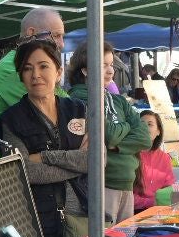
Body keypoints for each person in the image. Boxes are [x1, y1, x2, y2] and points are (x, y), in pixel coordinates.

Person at [0, 38, 89, 237]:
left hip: (84, 214)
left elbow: (96, 160)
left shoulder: (79, 110)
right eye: (27, 69)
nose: (35, 75)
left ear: (59, 71)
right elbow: (27, 171)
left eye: (43, 66)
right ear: (21, 76)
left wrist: (44, 157)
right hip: (36, 221)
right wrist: (76, 162)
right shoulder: (10, 121)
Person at [66, 40, 153, 223]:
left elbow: (145, 138)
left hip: (126, 183)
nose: (110, 71)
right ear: (85, 70)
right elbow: (110, 133)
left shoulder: (118, 100)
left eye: (111, 64)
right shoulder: (79, 99)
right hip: (102, 184)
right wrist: (127, 126)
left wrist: (114, 145)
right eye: (103, 65)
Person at [0, 9, 65, 158]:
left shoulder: (17, 64)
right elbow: (62, 113)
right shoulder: (14, 69)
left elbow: (68, 107)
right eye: (56, 35)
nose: (62, 44)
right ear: (31, 33)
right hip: (5, 171)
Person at [134, 110, 177, 213]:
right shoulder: (130, 154)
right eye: (142, 124)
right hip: (133, 212)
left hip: (160, 212)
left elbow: (169, 189)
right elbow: (125, 194)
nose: (145, 127)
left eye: (150, 124)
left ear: (158, 131)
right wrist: (151, 202)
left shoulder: (164, 158)